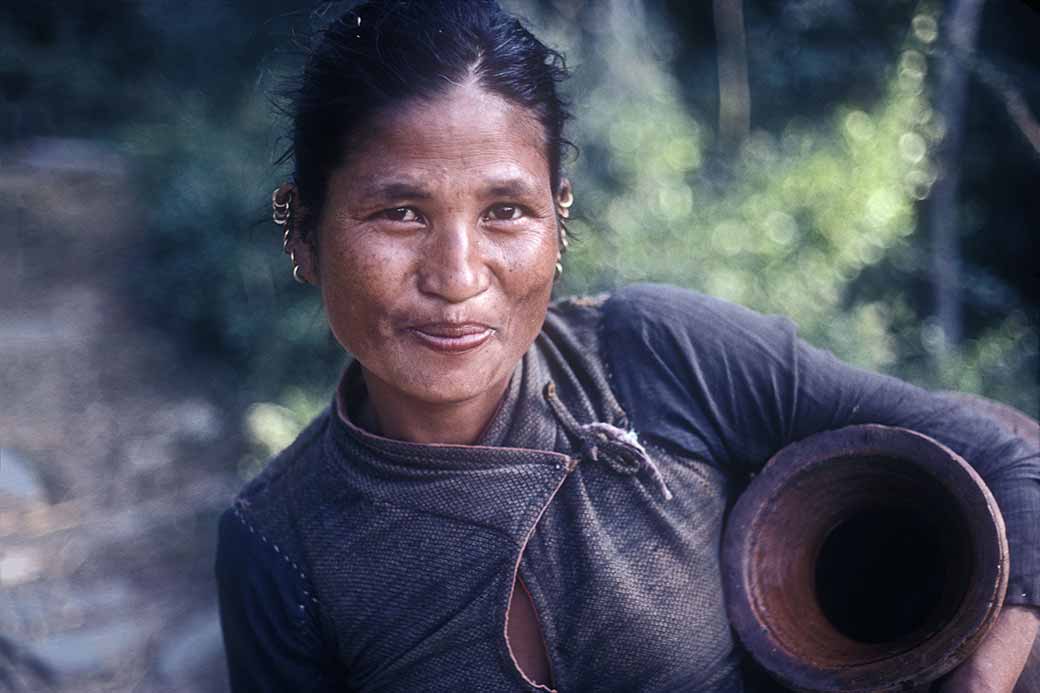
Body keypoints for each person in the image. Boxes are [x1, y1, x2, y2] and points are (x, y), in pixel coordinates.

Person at [214, 1, 1039, 691]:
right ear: (305, 232)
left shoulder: (656, 353)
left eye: (506, 211)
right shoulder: (280, 545)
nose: (458, 276)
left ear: (559, 218)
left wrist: (981, 679)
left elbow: (1011, 458)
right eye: (400, 213)